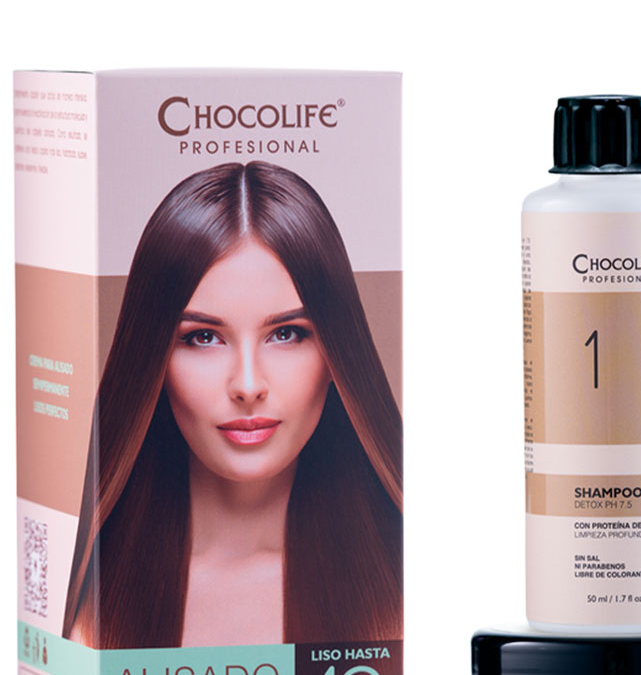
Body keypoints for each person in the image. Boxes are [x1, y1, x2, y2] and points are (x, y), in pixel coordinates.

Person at [63, 161, 402, 650]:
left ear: (337, 354)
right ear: (153, 361)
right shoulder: (96, 622)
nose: (247, 385)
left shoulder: (407, 596)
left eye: (287, 334)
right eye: (203, 337)